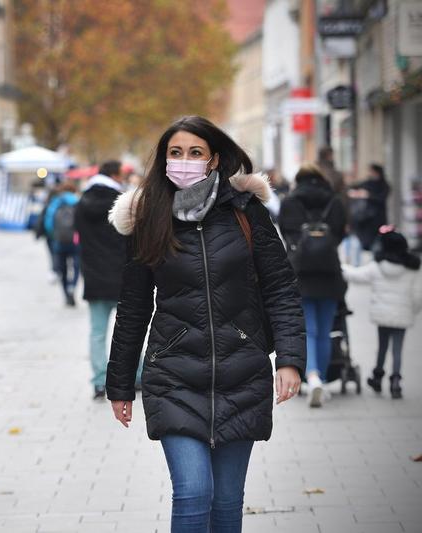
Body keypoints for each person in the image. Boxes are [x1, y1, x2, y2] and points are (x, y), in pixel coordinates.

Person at [106, 116, 305, 532]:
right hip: (174, 375)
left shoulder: (246, 213)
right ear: (163, 160)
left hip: (242, 373)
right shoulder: (148, 218)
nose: (184, 161)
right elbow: (133, 306)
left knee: (227, 502)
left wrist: (290, 358)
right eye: (175, 153)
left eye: (195, 152)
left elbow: (281, 288)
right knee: (194, 492)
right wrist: (120, 384)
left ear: (214, 159)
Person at [278, 165, 347, 408]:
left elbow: (287, 236)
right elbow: (339, 235)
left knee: (309, 328)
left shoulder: (290, 202)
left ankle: (313, 375)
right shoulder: (335, 202)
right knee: (326, 329)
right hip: (330, 274)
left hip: (301, 274)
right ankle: (324, 380)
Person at [342, 227, 421, 399]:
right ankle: (396, 382)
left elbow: (356, 275)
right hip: (403, 315)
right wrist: (411, 311)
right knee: (398, 349)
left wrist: (339, 266)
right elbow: (418, 295)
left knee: (382, 347)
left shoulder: (378, 266)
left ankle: (377, 377)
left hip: (382, 316)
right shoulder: (412, 268)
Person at [75, 161, 128, 400]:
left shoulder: (82, 203)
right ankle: (134, 375)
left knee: (97, 332)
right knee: (128, 329)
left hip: (94, 277)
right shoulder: (122, 202)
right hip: (123, 276)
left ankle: (99, 380)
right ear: (116, 175)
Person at [43, 181, 80, 306]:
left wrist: (54, 236)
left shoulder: (55, 203)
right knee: (76, 267)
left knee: (62, 269)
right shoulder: (78, 202)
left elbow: (48, 224)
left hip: (59, 241)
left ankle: (65, 293)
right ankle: (72, 287)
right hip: (76, 241)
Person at [348, 163, 390, 254]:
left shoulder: (384, 185)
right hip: (366, 218)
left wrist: (368, 195)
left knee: (378, 240)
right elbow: (354, 187)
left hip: (378, 218)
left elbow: (381, 198)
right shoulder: (367, 183)